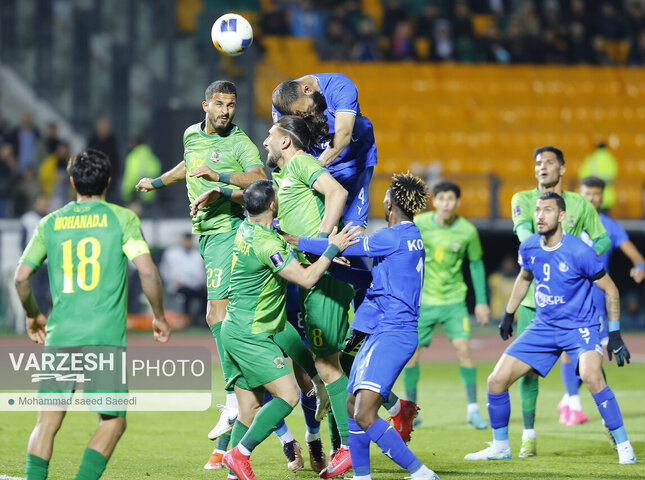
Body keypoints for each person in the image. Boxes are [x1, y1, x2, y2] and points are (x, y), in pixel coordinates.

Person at [15, 149, 171, 480]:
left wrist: (33, 315)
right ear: (109, 182)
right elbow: (147, 272)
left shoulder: (50, 222)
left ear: (72, 182)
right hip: (104, 339)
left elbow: (21, 277)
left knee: (47, 421)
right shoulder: (122, 218)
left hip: (60, 336)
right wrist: (158, 315)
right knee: (113, 420)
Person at [135, 80, 267, 464]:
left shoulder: (241, 144)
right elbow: (190, 167)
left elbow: (260, 182)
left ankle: (231, 397)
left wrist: (222, 182)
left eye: (232, 105)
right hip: (208, 238)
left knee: (216, 315)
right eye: (220, 104)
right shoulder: (191, 134)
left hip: (229, 233)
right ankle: (276, 426)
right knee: (243, 325)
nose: (226, 111)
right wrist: (158, 182)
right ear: (205, 104)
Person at [288, 172, 441, 480]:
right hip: (384, 330)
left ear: (390, 203)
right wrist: (331, 270)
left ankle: (421, 473)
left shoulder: (391, 236)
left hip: (391, 332)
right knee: (350, 404)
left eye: (384, 195)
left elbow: (344, 247)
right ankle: (361, 476)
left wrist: (294, 239)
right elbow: (368, 280)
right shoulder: (411, 237)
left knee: (365, 413)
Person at [464, 192, 636, 465]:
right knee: (496, 381)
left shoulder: (580, 251)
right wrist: (509, 313)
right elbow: (524, 276)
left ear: (562, 216)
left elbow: (611, 288)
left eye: (547, 210)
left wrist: (614, 334)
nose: (540, 216)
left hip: (580, 327)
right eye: (537, 210)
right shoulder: (529, 246)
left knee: (592, 376)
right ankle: (500, 447)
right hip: (543, 327)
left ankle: (624, 445)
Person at [219, 179, 361, 480]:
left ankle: (233, 475)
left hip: (232, 330)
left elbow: (284, 242)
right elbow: (307, 279)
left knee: (250, 409)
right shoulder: (267, 243)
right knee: (288, 396)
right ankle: (239, 455)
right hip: (252, 334)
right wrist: (333, 246)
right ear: (273, 205)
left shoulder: (248, 230)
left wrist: (324, 255)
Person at [510, 145, 610, 457]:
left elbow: (603, 237)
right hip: (533, 302)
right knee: (526, 371)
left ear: (562, 169)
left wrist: (585, 255)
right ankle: (529, 434)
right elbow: (525, 233)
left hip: (573, 305)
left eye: (549, 162)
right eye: (538, 162)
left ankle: (612, 427)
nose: (542, 167)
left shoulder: (580, 204)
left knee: (592, 369)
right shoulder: (523, 200)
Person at [556, 176, 645, 425]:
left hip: (596, 302)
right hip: (568, 297)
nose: (592, 197)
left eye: (596, 193)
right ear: (579, 193)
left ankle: (569, 398)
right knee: (568, 348)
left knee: (591, 357)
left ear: (602, 196)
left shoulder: (610, 226)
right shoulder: (568, 220)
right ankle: (574, 404)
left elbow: (637, 256)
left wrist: (639, 266)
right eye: (587, 192)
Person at [403, 180, 490, 429]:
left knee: (464, 349)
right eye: (441, 199)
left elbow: (476, 264)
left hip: (454, 301)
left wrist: (481, 302)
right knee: (412, 355)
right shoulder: (419, 224)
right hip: (424, 301)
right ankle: (411, 410)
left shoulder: (467, 231)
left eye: (450, 199)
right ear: (434, 201)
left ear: (457, 202)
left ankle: (473, 410)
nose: (445, 204)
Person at [271, 72, 377, 231]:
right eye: (301, 116)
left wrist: (318, 163)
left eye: (307, 112)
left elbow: (344, 134)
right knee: (313, 227)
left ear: (307, 89)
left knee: (352, 231)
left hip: (353, 162)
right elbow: (286, 146)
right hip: (317, 162)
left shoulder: (339, 87)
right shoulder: (282, 105)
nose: (309, 118)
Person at [159, 233, 206, 326]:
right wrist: (173, 281)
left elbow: (203, 271)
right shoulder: (172, 253)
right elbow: (164, 270)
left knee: (205, 295)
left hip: (196, 285)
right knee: (186, 294)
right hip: (179, 285)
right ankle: (186, 320)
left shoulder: (197, 254)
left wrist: (203, 281)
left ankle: (200, 319)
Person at [578, 142, 618, 210]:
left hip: (592, 197)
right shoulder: (611, 160)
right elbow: (613, 177)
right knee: (604, 219)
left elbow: (582, 177)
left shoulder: (591, 160)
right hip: (607, 196)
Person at [121, 138, 161, 204]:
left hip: (136, 194)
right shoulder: (149, 155)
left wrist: (126, 194)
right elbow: (157, 169)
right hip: (149, 193)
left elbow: (131, 177)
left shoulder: (133, 157)